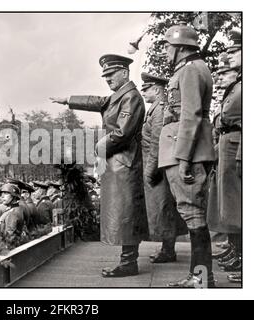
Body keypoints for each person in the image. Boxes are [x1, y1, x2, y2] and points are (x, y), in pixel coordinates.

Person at [50, 53, 149, 277]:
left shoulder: (131, 97)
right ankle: (127, 261)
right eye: (105, 75)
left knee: (127, 213)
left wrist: (98, 147)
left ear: (124, 73)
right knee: (123, 212)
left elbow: (122, 133)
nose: (107, 79)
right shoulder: (120, 96)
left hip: (125, 162)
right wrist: (68, 100)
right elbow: (98, 101)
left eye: (111, 74)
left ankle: (128, 263)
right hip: (119, 162)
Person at [158, 22, 216, 287]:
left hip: (187, 153)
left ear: (180, 47)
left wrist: (183, 159)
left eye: (168, 46)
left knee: (193, 214)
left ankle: (202, 279)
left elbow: (190, 115)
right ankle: (200, 276)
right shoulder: (192, 68)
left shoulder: (191, 71)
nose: (166, 52)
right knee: (192, 212)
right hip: (187, 150)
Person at [140, 72, 188, 263]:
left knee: (164, 208)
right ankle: (166, 248)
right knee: (163, 208)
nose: (143, 92)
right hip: (158, 164)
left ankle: (168, 250)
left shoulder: (159, 109)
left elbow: (156, 144)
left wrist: (150, 170)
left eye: (146, 89)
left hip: (158, 166)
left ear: (157, 90)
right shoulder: (154, 108)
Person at [217, 30, 242, 283]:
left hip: (238, 146)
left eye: (235, 51)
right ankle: (238, 253)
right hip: (230, 145)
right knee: (232, 205)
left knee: (239, 205)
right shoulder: (237, 86)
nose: (230, 56)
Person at [0, 183, 25, 248]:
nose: (2, 196)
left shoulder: (13, 212)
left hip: (10, 248)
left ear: (13, 196)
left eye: (6, 193)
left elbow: (10, 236)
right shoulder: (13, 209)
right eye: (2, 193)